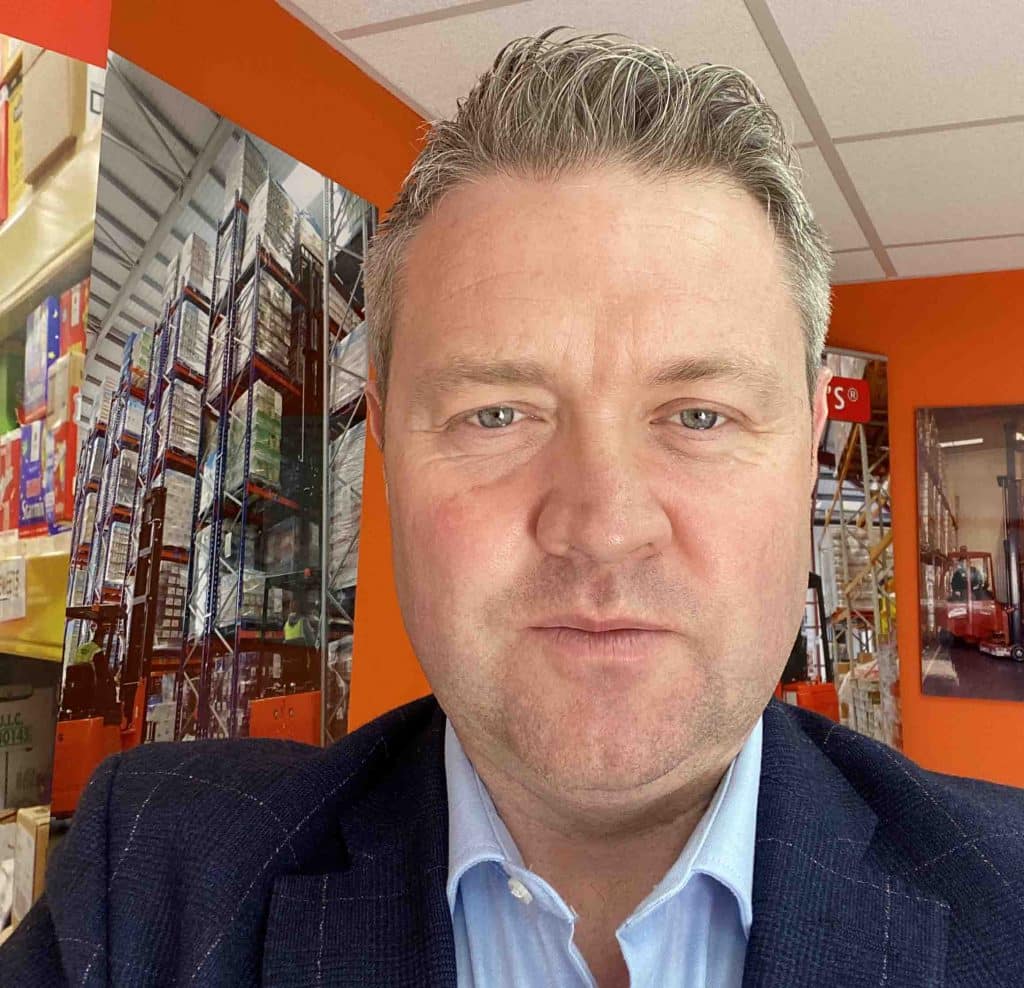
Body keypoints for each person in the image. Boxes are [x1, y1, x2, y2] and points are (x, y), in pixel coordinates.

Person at [4, 30, 1024, 988]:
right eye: (496, 412)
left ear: (804, 453)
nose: (603, 523)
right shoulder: (151, 886)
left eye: (699, 414)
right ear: (389, 447)